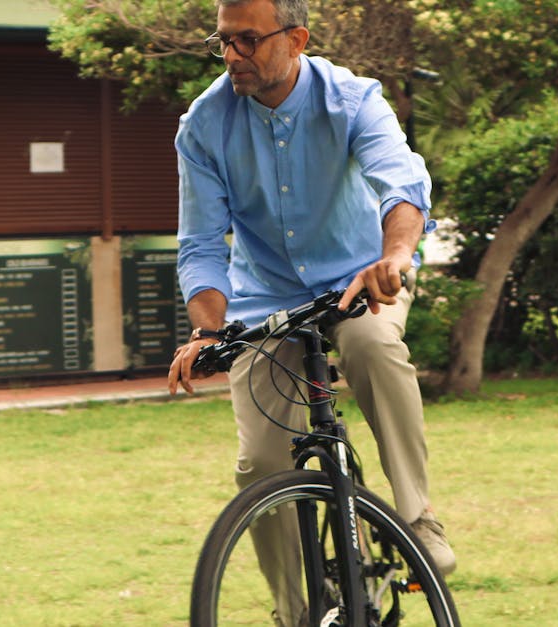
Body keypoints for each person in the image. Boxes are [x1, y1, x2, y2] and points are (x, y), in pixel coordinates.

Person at [166, 0, 454, 621]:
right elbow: (200, 246)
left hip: (360, 283)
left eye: (248, 40)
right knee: (263, 463)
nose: (232, 56)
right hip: (265, 299)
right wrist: (206, 331)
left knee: (373, 347)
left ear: (295, 39)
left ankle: (416, 518)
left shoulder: (352, 99)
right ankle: (295, 609)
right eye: (223, 42)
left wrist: (395, 256)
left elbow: (401, 185)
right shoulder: (204, 124)